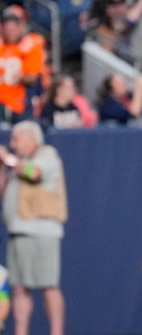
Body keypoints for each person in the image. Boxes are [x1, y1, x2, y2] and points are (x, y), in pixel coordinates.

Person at [0, 120, 67, 335]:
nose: (12, 144)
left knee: (49, 285)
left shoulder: (47, 155)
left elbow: (34, 173)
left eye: (16, 139)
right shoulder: (17, 162)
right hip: (17, 232)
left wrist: (7, 159)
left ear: (30, 138)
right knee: (19, 288)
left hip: (41, 232)